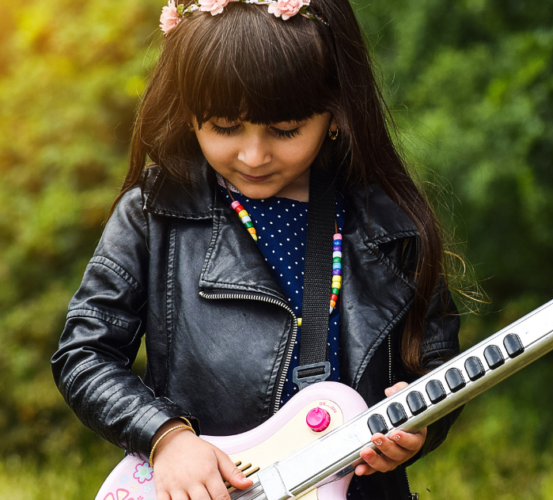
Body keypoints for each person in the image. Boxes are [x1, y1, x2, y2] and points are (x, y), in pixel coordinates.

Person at [50, 1, 463, 499]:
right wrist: (166, 437)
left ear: (335, 111)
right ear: (189, 112)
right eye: (225, 127)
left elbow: (439, 364)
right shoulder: (153, 214)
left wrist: (421, 428)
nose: (253, 155)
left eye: (285, 130)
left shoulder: (392, 224)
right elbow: (85, 354)